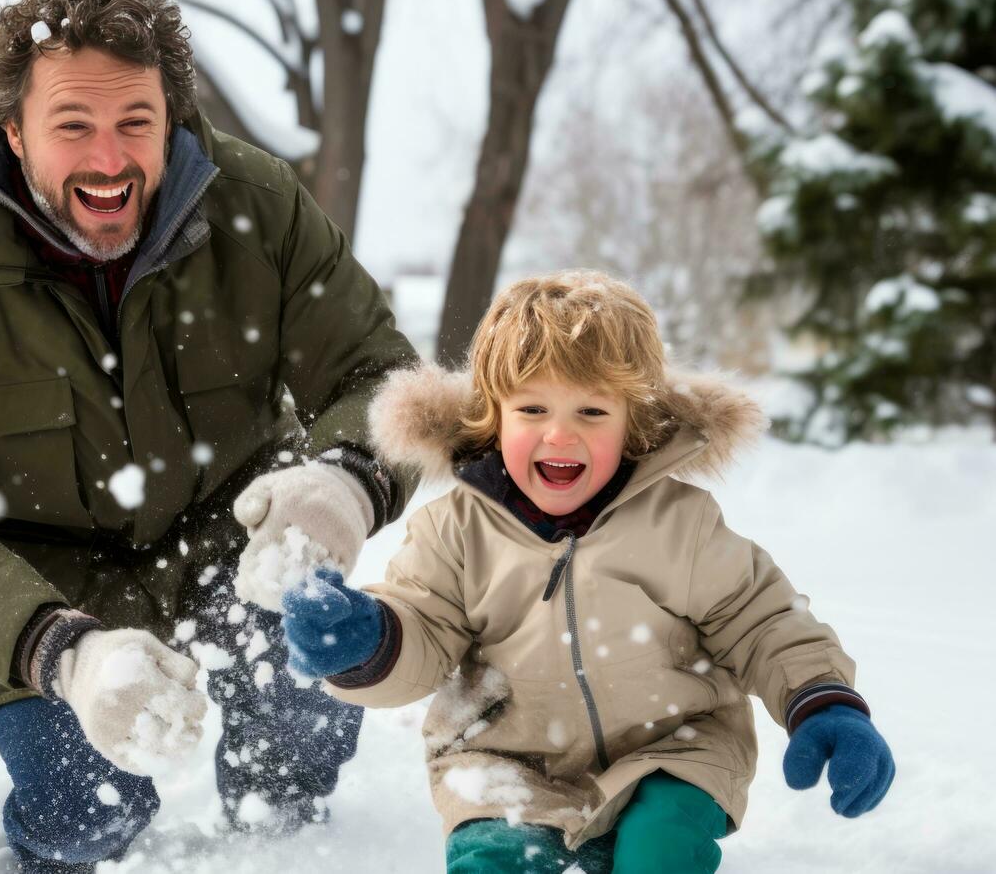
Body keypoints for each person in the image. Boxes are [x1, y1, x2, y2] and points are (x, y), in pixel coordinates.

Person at [0, 0, 417, 872]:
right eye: (73, 125)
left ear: (169, 117)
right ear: (13, 130)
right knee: (89, 806)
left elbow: (381, 376)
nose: (109, 158)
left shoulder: (256, 208)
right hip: (25, 579)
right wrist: (57, 650)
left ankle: (286, 851)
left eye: (136, 121)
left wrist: (347, 482)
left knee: (303, 696)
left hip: (230, 539)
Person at [280, 271, 895, 873]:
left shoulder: (680, 524)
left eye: (593, 411)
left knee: (661, 848)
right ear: (495, 417)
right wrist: (367, 642)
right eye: (533, 408)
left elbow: (760, 620)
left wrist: (822, 702)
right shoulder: (455, 531)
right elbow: (424, 628)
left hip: (671, 751)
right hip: (507, 760)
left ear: (636, 421)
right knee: (492, 862)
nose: (559, 433)